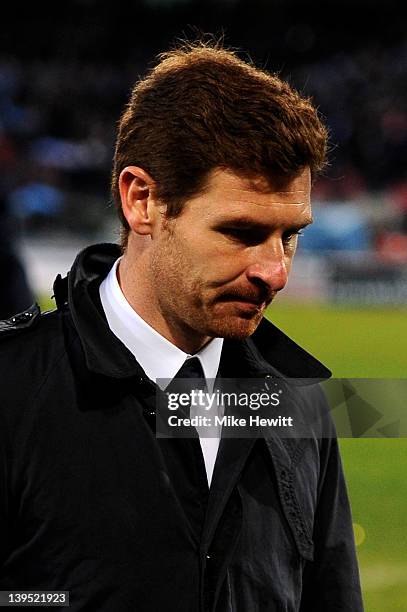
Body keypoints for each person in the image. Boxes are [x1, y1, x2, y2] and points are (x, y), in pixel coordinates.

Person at [0, 42, 363, 611]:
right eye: (241, 233)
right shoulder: (15, 387)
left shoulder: (302, 406)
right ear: (141, 201)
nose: (276, 272)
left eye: (289, 236)